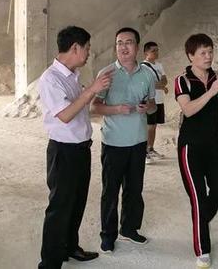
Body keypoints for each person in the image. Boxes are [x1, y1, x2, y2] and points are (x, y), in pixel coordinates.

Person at [37, 26, 113, 268]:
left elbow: (80, 107)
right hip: (63, 152)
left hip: (81, 149)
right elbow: (66, 115)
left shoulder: (72, 75)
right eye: (87, 48)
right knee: (59, 208)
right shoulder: (50, 78)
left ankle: (69, 247)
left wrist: (93, 93)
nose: (89, 52)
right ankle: (50, 263)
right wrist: (92, 90)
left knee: (77, 202)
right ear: (75, 48)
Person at [175, 33, 218, 269]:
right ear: (190, 56)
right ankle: (202, 251)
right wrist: (210, 91)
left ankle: (200, 220)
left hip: (213, 145)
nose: (208, 56)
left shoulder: (217, 76)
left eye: (210, 51)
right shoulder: (183, 80)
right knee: (198, 198)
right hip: (190, 147)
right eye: (203, 53)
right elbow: (188, 110)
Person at [92, 27, 156, 254]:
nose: (123, 47)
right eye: (119, 43)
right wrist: (117, 109)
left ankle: (129, 229)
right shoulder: (106, 73)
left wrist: (148, 107)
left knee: (134, 189)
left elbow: (153, 105)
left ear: (137, 47)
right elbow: (94, 107)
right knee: (110, 191)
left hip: (138, 141)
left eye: (128, 42)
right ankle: (107, 235)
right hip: (113, 142)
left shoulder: (147, 74)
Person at [141, 41, 168, 163]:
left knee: (154, 126)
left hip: (159, 100)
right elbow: (147, 84)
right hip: (150, 101)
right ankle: (145, 152)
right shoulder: (143, 67)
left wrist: (160, 85)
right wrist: (161, 86)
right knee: (149, 126)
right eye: (153, 51)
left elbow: (165, 80)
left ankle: (150, 148)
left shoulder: (159, 65)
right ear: (146, 53)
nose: (156, 53)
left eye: (157, 50)